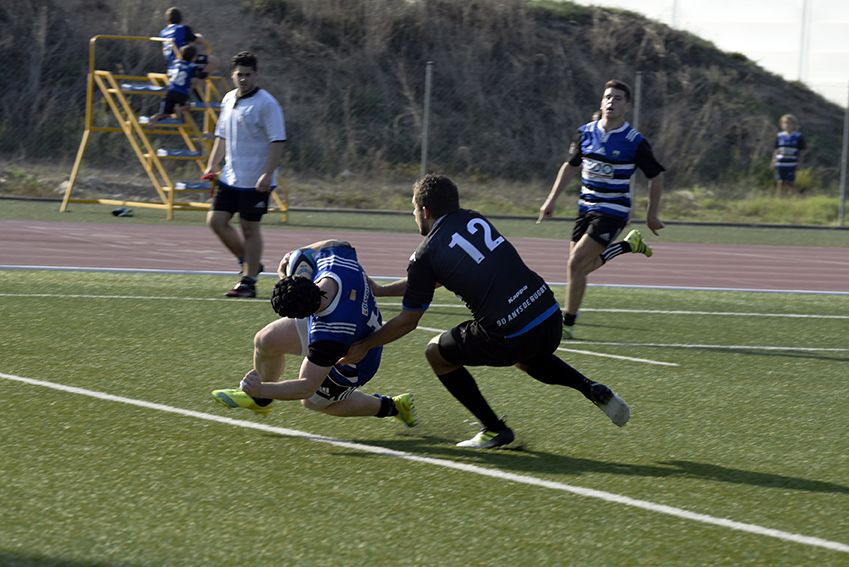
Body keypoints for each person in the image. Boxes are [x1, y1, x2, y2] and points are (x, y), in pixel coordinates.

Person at [342, 174, 629, 449]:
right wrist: (380, 290)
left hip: (511, 333)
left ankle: (493, 428)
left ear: (425, 211)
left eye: (414, 209)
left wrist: (365, 345)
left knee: (436, 353)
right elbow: (440, 278)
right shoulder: (474, 218)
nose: (414, 215)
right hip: (549, 315)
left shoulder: (425, 254)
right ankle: (590, 388)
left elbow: (408, 322)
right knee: (527, 356)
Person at [212, 239, 417, 427]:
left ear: (304, 314)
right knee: (267, 340)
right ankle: (261, 402)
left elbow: (306, 386)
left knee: (312, 401)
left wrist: (261, 388)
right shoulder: (334, 264)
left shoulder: (328, 337)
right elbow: (339, 243)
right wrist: (300, 252)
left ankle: (392, 406)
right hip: (349, 319)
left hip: (355, 357)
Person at [538, 79, 665, 339]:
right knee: (580, 267)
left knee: (575, 264)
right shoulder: (585, 132)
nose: (611, 102)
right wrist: (550, 200)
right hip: (585, 208)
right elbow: (570, 166)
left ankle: (567, 324)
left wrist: (652, 215)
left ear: (626, 106)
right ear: (601, 102)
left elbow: (656, 176)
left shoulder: (634, 141)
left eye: (618, 98)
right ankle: (628, 246)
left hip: (613, 211)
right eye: (608, 97)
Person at [203, 51, 286, 298]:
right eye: (240, 75)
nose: (244, 79)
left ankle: (248, 280)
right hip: (230, 177)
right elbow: (222, 135)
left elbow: (277, 141)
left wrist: (267, 174)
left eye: (248, 75)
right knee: (216, 221)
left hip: (256, 180)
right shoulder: (228, 99)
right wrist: (211, 165)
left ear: (256, 75)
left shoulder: (267, 104)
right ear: (232, 75)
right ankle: (250, 262)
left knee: (250, 228)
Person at [149, 44, 197, 123]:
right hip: (182, 92)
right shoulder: (192, 67)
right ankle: (179, 110)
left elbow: (170, 73)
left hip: (170, 90)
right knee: (189, 106)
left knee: (165, 113)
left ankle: (153, 119)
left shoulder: (176, 63)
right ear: (193, 57)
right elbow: (194, 80)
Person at [772, 114, 806, 194]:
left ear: (794, 125)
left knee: (790, 181)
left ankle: (792, 197)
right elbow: (776, 149)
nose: (788, 125)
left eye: (790, 123)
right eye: (785, 123)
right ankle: (779, 197)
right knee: (780, 181)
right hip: (781, 162)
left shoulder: (798, 136)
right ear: (782, 125)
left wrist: (800, 162)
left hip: (792, 163)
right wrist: (774, 161)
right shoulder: (780, 136)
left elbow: (802, 151)